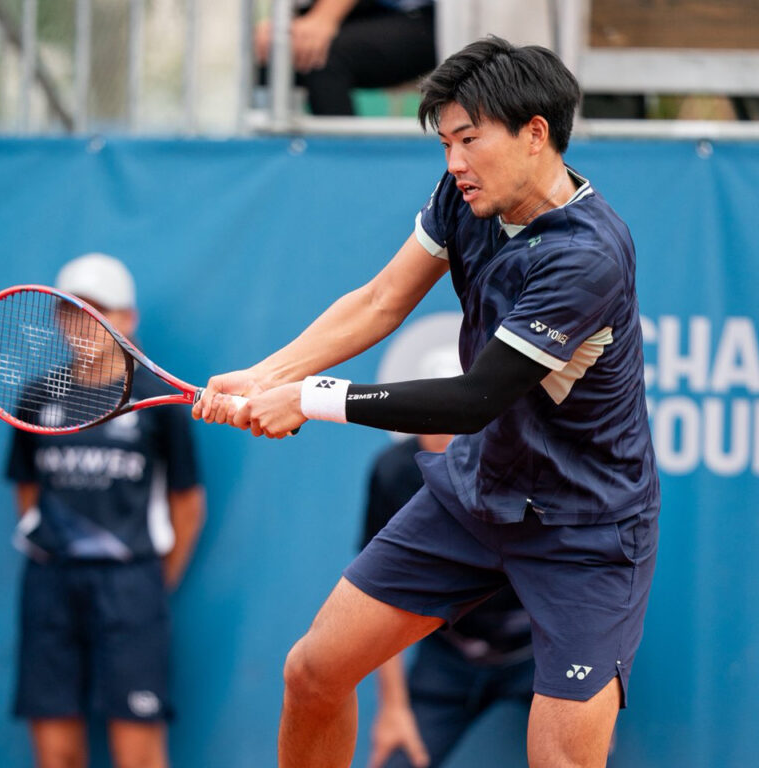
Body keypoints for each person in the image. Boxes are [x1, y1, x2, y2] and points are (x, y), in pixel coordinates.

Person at [195, 36, 660, 768]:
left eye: (469, 141)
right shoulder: (465, 198)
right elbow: (381, 300)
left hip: (587, 527)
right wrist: (265, 374)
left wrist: (310, 397)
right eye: (446, 143)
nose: (454, 164)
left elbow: (473, 399)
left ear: (536, 133)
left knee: (560, 761)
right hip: (481, 493)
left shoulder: (587, 256)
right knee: (313, 674)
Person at [6, 252, 205, 768]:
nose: (84, 325)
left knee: (139, 754)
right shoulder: (36, 398)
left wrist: (150, 580)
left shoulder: (157, 400)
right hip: (51, 585)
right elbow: (27, 489)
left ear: (127, 319)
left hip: (131, 588)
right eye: (72, 312)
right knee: (56, 755)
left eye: (99, 312)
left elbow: (187, 503)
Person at [362, 432, 534, 768]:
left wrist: (589, 685)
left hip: (539, 652)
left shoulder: (524, 461)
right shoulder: (393, 471)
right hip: (448, 654)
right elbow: (381, 594)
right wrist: (393, 708)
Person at [254, 0, 437, 116]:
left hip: (438, 18)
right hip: (369, 9)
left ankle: (343, 165)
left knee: (320, 55)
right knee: (262, 57)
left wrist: (323, 18)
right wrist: (284, 21)